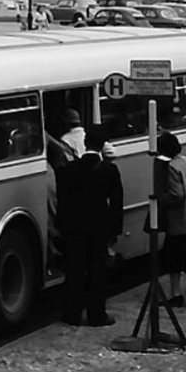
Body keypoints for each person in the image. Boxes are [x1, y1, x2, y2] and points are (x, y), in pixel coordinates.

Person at [56, 128, 124, 327]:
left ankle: (72, 313)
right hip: (99, 227)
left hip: (74, 228)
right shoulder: (109, 170)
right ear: (102, 146)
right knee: (97, 272)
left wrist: (63, 226)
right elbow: (116, 203)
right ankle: (97, 315)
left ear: (85, 144)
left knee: (75, 270)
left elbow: (63, 202)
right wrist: (115, 230)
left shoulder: (68, 169)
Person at [155, 132, 186, 307]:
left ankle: (179, 293)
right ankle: (185, 290)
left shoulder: (170, 167)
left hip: (177, 221)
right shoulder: (185, 161)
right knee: (184, 259)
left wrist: (161, 198)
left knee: (174, 260)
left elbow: (176, 194)